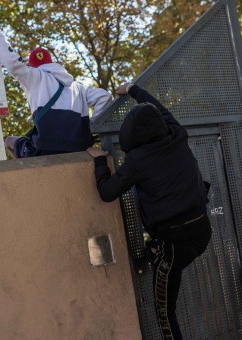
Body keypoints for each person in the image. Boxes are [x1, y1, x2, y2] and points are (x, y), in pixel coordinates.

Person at [86, 83, 212, 340]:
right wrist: (133, 89)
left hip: (174, 244)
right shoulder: (176, 135)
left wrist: (100, 161)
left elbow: (108, 192)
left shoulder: (138, 160)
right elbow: (161, 110)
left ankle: (156, 252)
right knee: (164, 262)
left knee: (165, 313)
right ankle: (155, 251)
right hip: (202, 232)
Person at [0, 17, 113, 158]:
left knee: (10, 141)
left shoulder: (35, 76)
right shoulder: (78, 87)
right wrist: (91, 128)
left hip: (46, 148)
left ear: (33, 66)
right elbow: (104, 97)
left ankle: (32, 175)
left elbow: (13, 62)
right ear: (51, 64)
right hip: (81, 147)